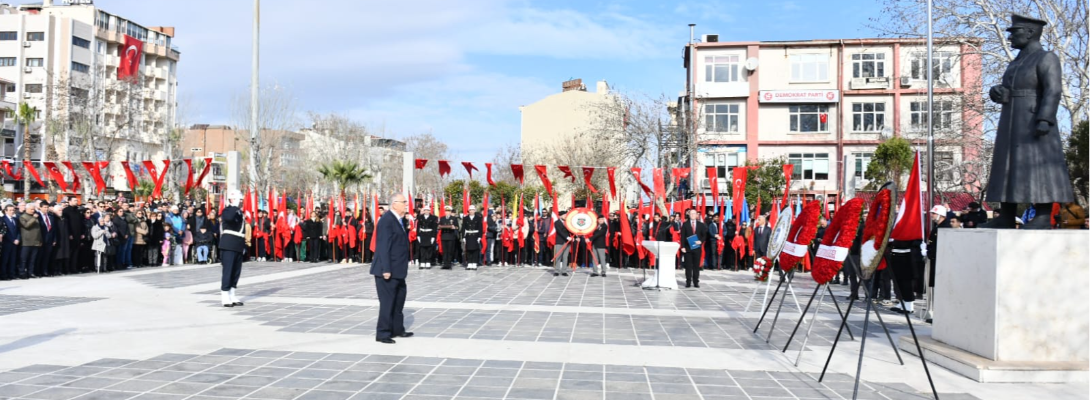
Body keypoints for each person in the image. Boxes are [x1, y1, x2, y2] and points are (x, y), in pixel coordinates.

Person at [984, 14, 1075, 229]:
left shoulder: (1046, 58)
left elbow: (1053, 90)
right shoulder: (1016, 62)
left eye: (1015, 32)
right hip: (1011, 121)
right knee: (1006, 166)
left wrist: (1044, 118)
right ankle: (1006, 214)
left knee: (1038, 166)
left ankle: (1043, 215)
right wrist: (997, 92)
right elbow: (1010, 89)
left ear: (1031, 33)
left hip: (1033, 120)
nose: (1011, 38)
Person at [370, 194, 412, 344]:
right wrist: (386, 269)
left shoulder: (399, 220)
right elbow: (383, 247)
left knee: (399, 300)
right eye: (403, 202)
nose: (406, 205)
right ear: (394, 204)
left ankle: (397, 328)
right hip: (387, 270)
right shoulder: (387, 220)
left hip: (398, 269)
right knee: (387, 302)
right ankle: (382, 333)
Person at [218, 190, 246, 307]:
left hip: (238, 245)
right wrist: (234, 206)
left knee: (236, 272)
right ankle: (225, 295)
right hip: (228, 245)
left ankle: (232, 293)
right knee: (228, 271)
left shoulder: (239, 212)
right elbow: (229, 218)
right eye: (240, 200)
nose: (241, 202)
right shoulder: (228, 210)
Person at [679, 209, 707, 288]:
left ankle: (696, 282)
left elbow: (704, 235)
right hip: (688, 248)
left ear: (696, 215)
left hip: (697, 248)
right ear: (689, 215)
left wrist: (700, 241)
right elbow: (682, 236)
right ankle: (688, 281)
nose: (693, 215)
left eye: (694, 214)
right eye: (691, 214)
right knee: (688, 266)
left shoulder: (701, 225)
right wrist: (682, 247)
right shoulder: (685, 224)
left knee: (696, 266)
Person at [18, 203, 42, 279]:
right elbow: (26, 226)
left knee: (32, 259)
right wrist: (34, 218)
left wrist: (40, 240)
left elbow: (38, 230)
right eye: (31, 209)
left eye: (33, 209)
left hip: (35, 242)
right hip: (26, 242)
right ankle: (22, 273)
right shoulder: (23, 217)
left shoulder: (35, 217)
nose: (33, 211)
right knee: (23, 259)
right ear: (27, 209)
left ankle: (30, 272)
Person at [462, 205, 482, 270]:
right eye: (470, 210)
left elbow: (480, 228)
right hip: (468, 235)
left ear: (475, 210)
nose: (471, 211)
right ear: (469, 211)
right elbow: (463, 228)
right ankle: (469, 263)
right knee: (469, 250)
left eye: (473, 210)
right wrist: (463, 237)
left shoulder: (478, 218)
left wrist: (479, 237)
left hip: (475, 236)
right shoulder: (465, 218)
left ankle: (474, 263)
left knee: (475, 250)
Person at [552, 210, 571, 277]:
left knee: (565, 256)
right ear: (560, 216)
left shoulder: (568, 222)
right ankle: (557, 270)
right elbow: (559, 231)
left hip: (567, 242)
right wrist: (567, 237)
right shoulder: (557, 222)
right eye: (564, 215)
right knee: (558, 256)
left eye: (566, 215)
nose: (565, 216)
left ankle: (564, 271)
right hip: (560, 241)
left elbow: (571, 230)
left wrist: (574, 236)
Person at [0, 205, 14, 281]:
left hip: (7, 242)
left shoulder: (1, 220)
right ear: (5, 211)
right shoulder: (3, 219)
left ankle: (10, 274)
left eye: (13, 210)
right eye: (10, 210)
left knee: (11, 259)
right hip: (6, 242)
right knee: (4, 260)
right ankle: (3, 275)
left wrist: (1, 234)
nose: (12, 211)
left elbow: (4, 229)